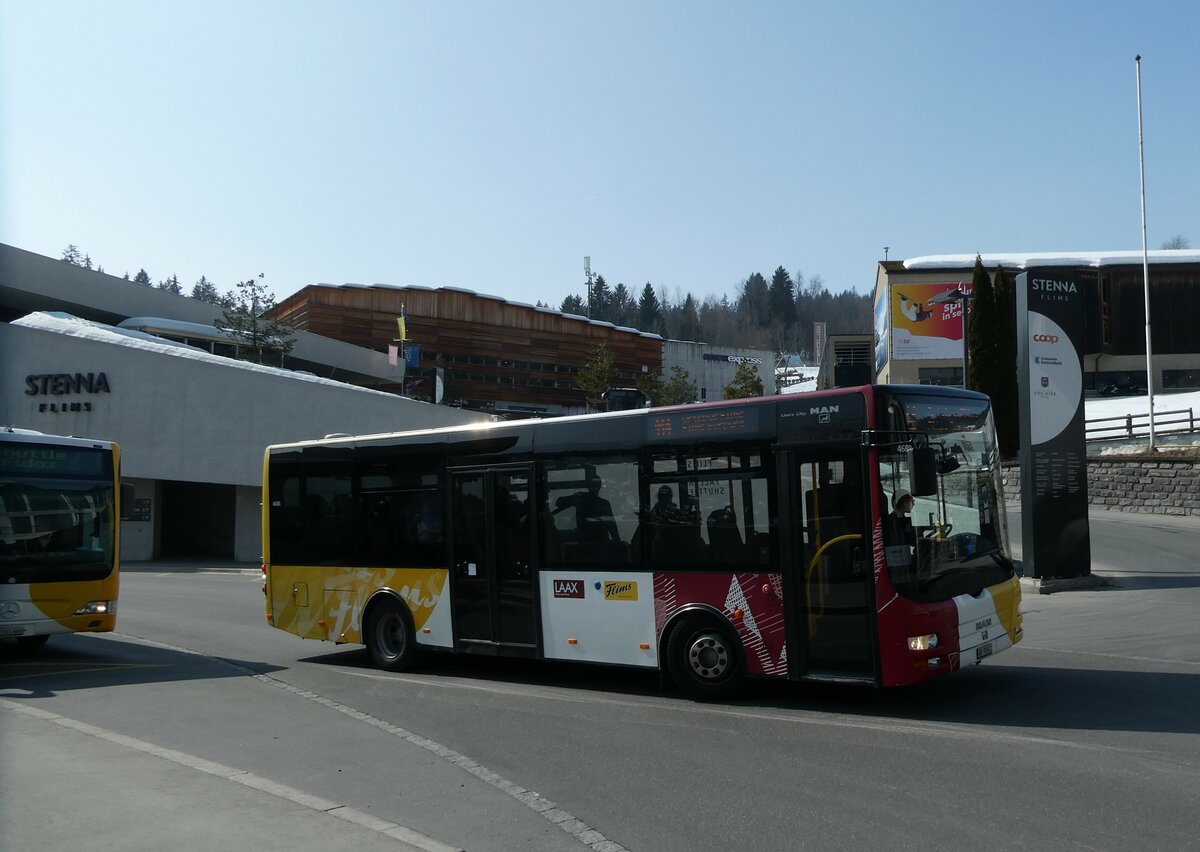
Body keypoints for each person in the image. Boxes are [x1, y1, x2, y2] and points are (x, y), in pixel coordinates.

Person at [556, 474, 620, 543]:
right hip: (600, 543)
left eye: (595, 484)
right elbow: (612, 527)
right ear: (600, 486)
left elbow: (559, 502)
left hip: (586, 543)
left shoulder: (580, 498)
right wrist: (617, 541)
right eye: (593, 484)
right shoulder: (604, 503)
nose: (594, 486)